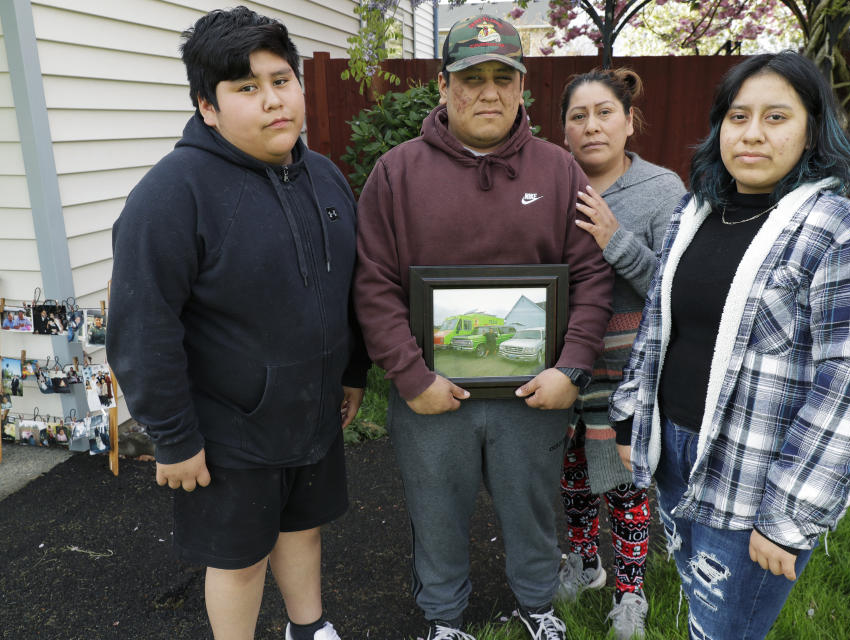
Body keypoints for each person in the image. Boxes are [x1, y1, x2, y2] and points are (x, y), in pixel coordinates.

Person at [609, 51, 850, 639]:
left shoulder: (846, 236)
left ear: (812, 131)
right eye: (738, 116)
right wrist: (629, 422)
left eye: (776, 117)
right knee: (698, 606)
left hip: (756, 479)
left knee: (726, 630)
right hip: (674, 453)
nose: (751, 133)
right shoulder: (694, 215)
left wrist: (788, 516)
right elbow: (658, 326)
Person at [106, 8, 368, 640]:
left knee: (301, 528)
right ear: (208, 107)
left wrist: (353, 372)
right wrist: (173, 437)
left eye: (281, 80)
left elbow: (346, 286)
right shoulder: (173, 195)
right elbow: (142, 326)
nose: (273, 101)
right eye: (246, 88)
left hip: (311, 411)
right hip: (227, 428)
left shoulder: (325, 176)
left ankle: (309, 628)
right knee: (240, 557)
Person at [353, 15, 613, 640]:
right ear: (443, 86)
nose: (489, 93)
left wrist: (572, 369)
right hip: (431, 398)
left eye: (504, 78)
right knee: (436, 510)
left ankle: (538, 604)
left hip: (535, 393)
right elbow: (373, 285)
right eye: (472, 78)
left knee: (530, 507)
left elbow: (591, 278)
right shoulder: (396, 174)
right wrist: (411, 379)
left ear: (522, 88)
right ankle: (444, 619)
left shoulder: (557, 171)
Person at [555, 67, 686, 639]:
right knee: (572, 476)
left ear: (630, 122)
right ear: (563, 131)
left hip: (629, 365)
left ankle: (630, 592)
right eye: (578, 116)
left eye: (604, 113)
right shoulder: (550, 183)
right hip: (564, 359)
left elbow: (678, 286)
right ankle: (585, 564)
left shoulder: (663, 190)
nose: (591, 127)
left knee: (628, 482)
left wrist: (615, 239)